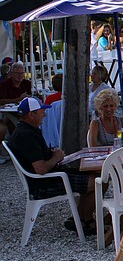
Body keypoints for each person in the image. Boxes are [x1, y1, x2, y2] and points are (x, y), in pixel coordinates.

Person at [9, 97, 96, 235]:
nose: (44, 113)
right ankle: (82, 219)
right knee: (98, 182)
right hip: (45, 183)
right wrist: (56, 157)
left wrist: (53, 156)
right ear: (32, 114)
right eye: (41, 111)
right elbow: (41, 169)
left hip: (48, 178)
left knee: (96, 177)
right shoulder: (26, 135)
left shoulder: (25, 130)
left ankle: (81, 219)